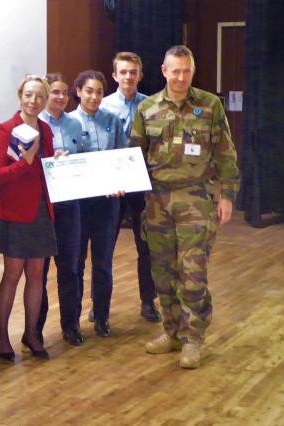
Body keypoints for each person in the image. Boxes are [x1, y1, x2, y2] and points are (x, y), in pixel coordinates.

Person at [130, 45, 240, 369]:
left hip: (196, 200)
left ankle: (193, 339)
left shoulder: (209, 105)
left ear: (193, 71)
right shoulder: (147, 109)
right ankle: (172, 331)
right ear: (164, 71)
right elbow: (134, 155)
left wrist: (227, 195)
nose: (180, 77)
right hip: (157, 202)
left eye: (186, 71)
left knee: (193, 274)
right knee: (163, 272)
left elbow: (225, 153)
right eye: (174, 70)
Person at [0, 75, 56, 360]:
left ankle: (31, 333)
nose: (33, 101)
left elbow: (47, 170)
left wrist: (57, 160)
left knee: (37, 275)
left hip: (41, 210)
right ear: (20, 96)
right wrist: (22, 164)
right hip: (15, 212)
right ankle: (2, 336)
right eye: (29, 95)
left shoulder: (45, 130)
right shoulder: (6, 129)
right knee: (13, 275)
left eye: (40, 96)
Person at [100, 52, 160, 323]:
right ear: (114, 75)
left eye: (132, 72)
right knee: (104, 246)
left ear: (140, 75)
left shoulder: (150, 106)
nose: (128, 77)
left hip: (141, 181)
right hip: (110, 182)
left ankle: (148, 301)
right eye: (123, 72)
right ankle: (99, 305)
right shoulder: (102, 106)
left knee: (145, 244)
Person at [69, 70, 126, 338]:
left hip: (107, 202)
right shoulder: (68, 122)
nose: (94, 96)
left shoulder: (112, 121)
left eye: (99, 92)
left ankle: (102, 317)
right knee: (76, 263)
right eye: (88, 91)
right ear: (78, 91)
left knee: (103, 263)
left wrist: (121, 181)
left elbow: (120, 157)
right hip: (78, 204)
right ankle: (73, 322)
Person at [35, 73, 85, 346]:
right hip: (43, 207)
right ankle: (36, 329)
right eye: (55, 92)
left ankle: (71, 325)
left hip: (70, 205)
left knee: (70, 268)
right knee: (39, 272)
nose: (61, 97)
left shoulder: (75, 124)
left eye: (64, 92)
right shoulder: (35, 124)